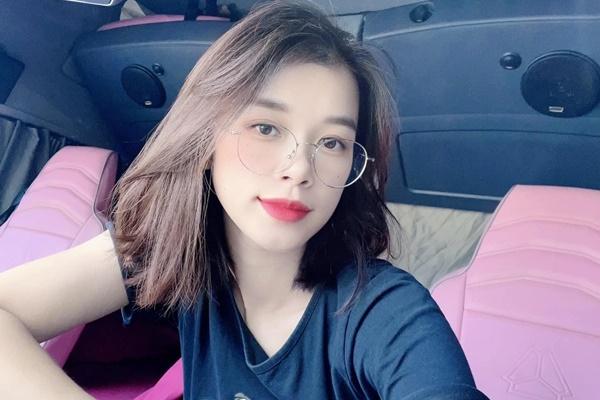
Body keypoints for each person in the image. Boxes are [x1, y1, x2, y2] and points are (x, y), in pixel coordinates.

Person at [0, 1, 489, 399]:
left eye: (332, 142)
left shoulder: (384, 313)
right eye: (266, 128)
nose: (300, 169)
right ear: (205, 138)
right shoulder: (168, 248)